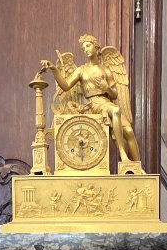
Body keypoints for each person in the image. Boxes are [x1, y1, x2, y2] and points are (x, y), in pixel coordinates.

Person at [40, 35, 143, 172]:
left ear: (96, 46)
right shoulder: (81, 70)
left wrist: (106, 88)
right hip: (94, 105)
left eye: (88, 46)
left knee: (129, 131)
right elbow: (65, 86)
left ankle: (138, 169)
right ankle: (123, 156)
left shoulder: (106, 70)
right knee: (116, 111)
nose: (85, 49)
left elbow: (114, 94)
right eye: (83, 48)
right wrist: (54, 69)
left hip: (106, 102)